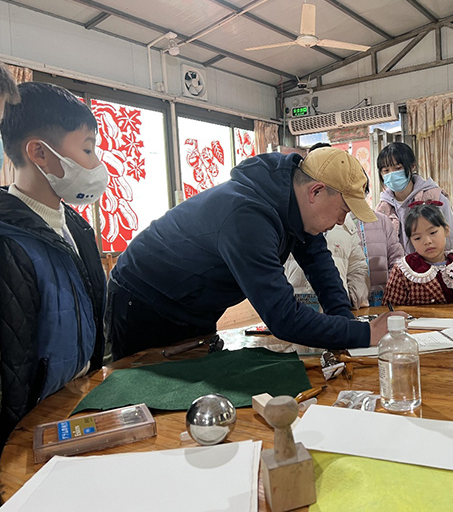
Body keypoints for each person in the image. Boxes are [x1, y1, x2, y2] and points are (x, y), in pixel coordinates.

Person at [106, 147, 402, 360]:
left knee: (193, 378)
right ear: (316, 191)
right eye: (344, 210)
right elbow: (283, 318)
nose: (341, 221)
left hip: (195, 304)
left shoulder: (294, 208)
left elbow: (320, 264)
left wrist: (347, 325)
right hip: (145, 301)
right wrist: (366, 334)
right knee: (149, 394)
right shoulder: (248, 216)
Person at [0, 81, 109, 446]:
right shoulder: (8, 244)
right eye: (87, 149)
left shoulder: (76, 227)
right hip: (28, 430)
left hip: (79, 403)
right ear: (39, 153)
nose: (96, 163)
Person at [375, 142, 453, 257]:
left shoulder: (434, 198)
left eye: (398, 168)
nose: (392, 174)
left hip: (434, 265)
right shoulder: (382, 209)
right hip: (400, 267)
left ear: (412, 166)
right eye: (386, 171)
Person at [383, 203, 453, 306]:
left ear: (446, 230)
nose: (427, 241)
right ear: (411, 241)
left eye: (433, 232)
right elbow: (389, 310)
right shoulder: (403, 271)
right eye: (417, 238)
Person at [285, 213, 370, 310]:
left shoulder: (347, 227)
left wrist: (347, 299)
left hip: (333, 311)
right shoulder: (291, 220)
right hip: (293, 309)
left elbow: (358, 268)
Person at [355, 210, 404, 306]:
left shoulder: (382, 221)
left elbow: (397, 259)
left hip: (384, 298)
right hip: (351, 301)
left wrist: (391, 288)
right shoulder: (336, 222)